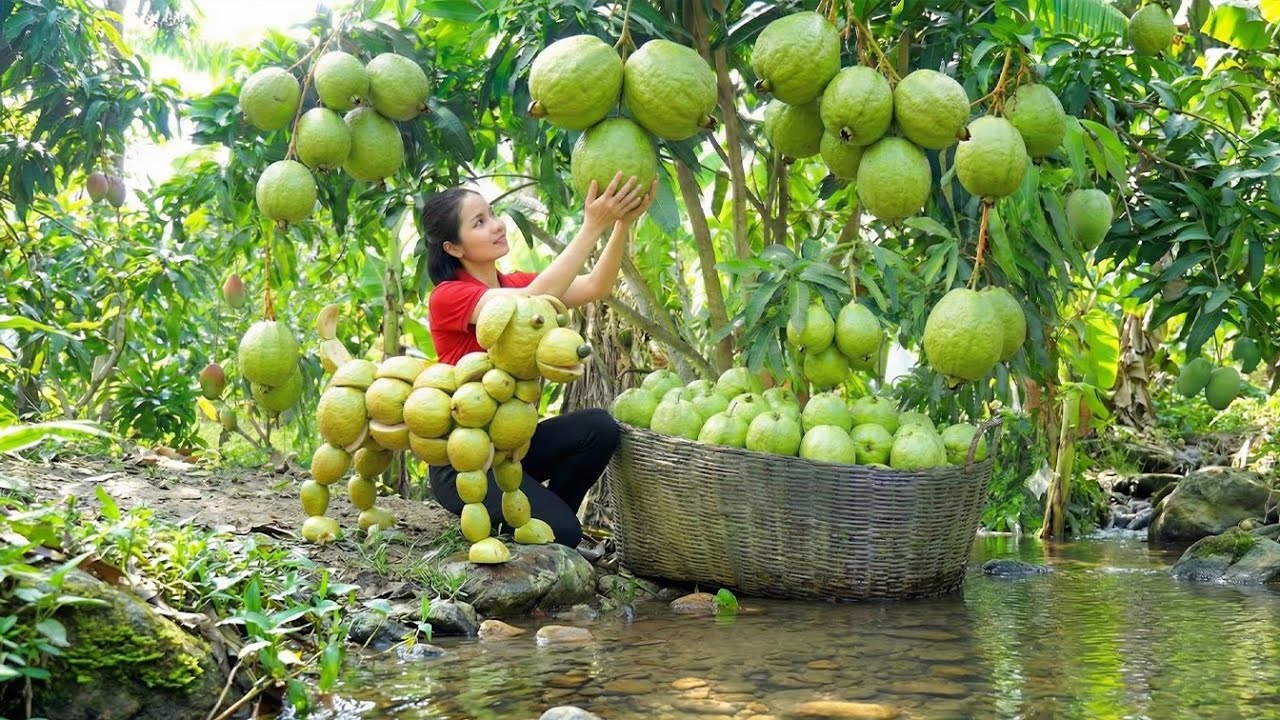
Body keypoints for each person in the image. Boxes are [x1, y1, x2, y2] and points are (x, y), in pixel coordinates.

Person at [420, 172, 657, 548]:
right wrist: (591, 226)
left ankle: (547, 524)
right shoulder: (450, 296)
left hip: (515, 455)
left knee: (599, 428)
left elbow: (596, 285)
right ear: (454, 248)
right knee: (566, 533)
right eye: (479, 222)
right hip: (466, 466)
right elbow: (523, 309)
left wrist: (621, 224)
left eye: (492, 214)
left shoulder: (516, 283)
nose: (497, 226)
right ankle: (551, 528)